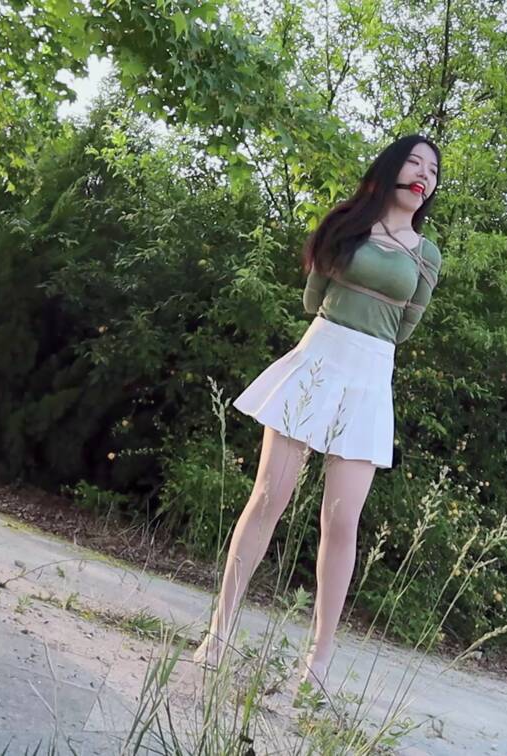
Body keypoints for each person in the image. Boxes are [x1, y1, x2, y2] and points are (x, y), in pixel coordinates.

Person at [191, 135, 444, 695]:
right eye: (414, 162)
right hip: (318, 359)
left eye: (432, 169)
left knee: (342, 521)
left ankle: (318, 664)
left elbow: (405, 327)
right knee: (268, 497)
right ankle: (219, 634)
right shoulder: (345, 224)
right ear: (390, 169)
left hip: (370, 376)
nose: (423, 174)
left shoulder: (427, 256)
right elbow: (313, 299)